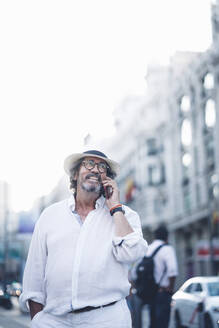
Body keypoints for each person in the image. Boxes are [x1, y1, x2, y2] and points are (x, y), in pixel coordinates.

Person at [19, 149, 148, 328]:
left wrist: (116, 208)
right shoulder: (50, 215)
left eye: (102, 167)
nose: (95, 169)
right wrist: (38, 319)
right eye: (89, 164)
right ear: (74, 175)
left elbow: (132, 253)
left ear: (107, 178)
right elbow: (34, 273)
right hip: (54, 320)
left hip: (107, 320)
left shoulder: (126, 215)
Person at [147, 225, 178, 328]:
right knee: (162, 322)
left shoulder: (148, 249)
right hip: (163, 292)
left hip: (150, 292)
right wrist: (170, 288)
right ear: (167, 237)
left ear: (155, 236)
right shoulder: (167, 249)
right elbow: (172, 271)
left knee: (153, 322)